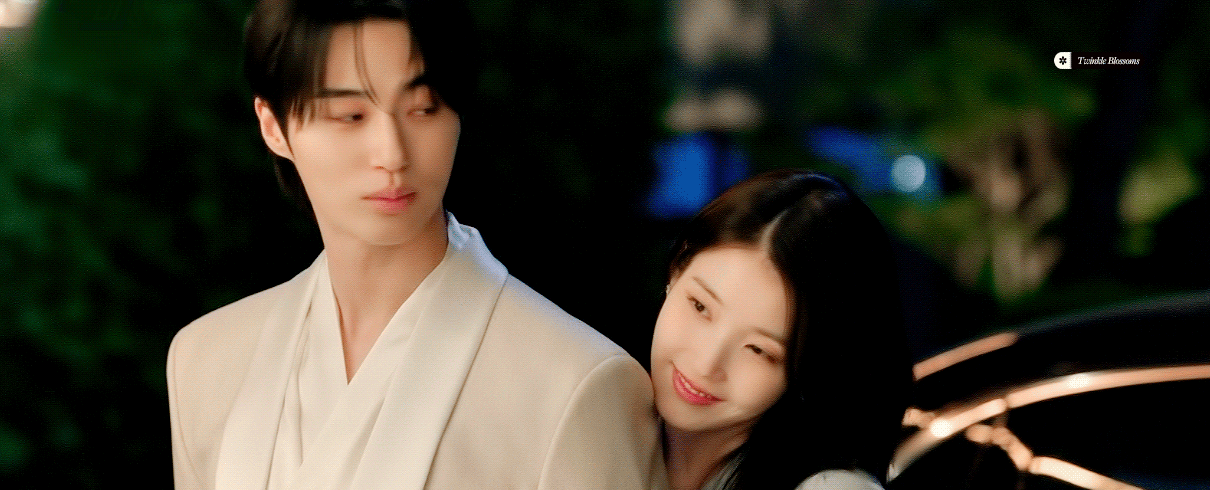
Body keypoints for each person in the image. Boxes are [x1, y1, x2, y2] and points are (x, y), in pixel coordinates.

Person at [166, 1, 663, 488]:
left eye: (424, 108)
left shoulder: (574, 383)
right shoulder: (204, 360)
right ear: (273, 126)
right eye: (350, 115)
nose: (392, 154)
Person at [650, 169, 912, 490]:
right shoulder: (605, 409)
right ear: (676, 270)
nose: (706, 364)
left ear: (811, 370)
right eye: (700, 307)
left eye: (759, 350)